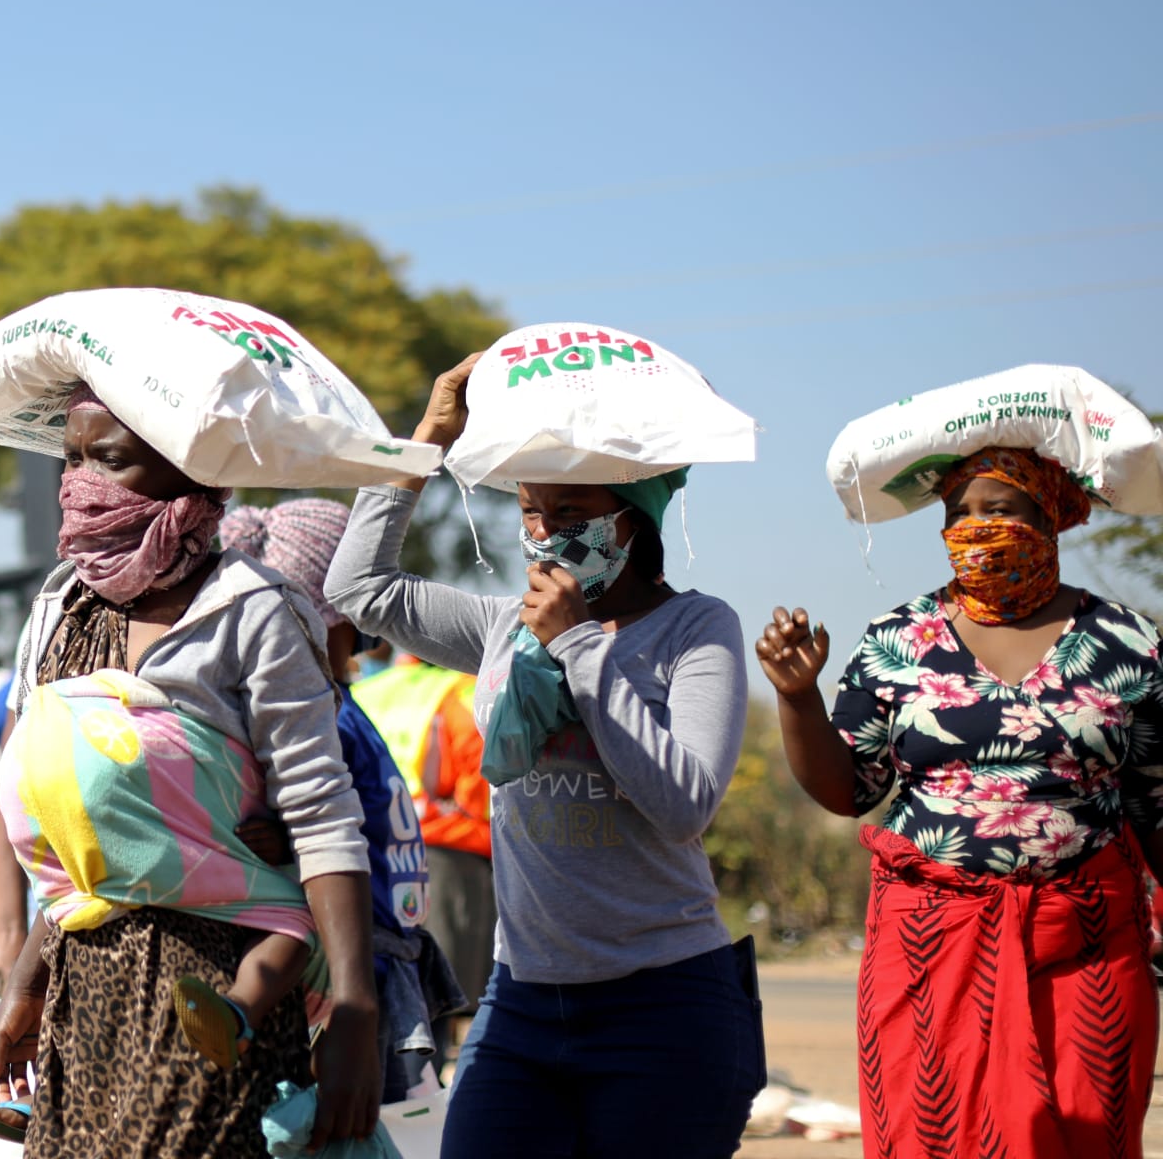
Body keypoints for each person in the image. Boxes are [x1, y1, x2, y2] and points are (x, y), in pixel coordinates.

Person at [326, 354, 762, 1159]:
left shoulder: (697, 630)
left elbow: (684, 805)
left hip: (663, 1001)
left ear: (632, 516)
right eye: (531, 510)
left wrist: (578, 647)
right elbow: (357, 591)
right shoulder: (502, 627)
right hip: (522, 999)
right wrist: (427, 440)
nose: (546, 531)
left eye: (573, 509)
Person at [0, 385, 381, 1157]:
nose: (81, 483)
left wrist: (358, 1005)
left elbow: (324, 814)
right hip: (79, 993)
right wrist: (26, 983)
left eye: (111, 460)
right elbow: (74, 837)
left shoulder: (250, 608)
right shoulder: (61, 606)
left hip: (215, 997)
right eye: (71, 459)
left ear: (189, 472)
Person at [758, 445, 1163, 1157]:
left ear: (1048, 518)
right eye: (958, 514)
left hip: (1088, 947)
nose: (974, 529)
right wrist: (798, 699)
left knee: (1084, 1134)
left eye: (998, 510)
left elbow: (1155, 803)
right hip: (929, 942)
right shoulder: (898, 640)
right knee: (932, 1135)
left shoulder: (1126, 643)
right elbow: (850, 790)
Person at [217, 498, 463, 1102]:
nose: (366, 634)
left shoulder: (342, 702)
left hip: (391, 957)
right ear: (310, 618)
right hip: (357, 965)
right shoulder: (313, 716)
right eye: (354, 617)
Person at [352, 657, 495, 1027]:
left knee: (389, 980)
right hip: (451, 852)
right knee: (442, 997)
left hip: (369, 850)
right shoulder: (461, 692)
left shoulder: (368, 690)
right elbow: (482, 787)